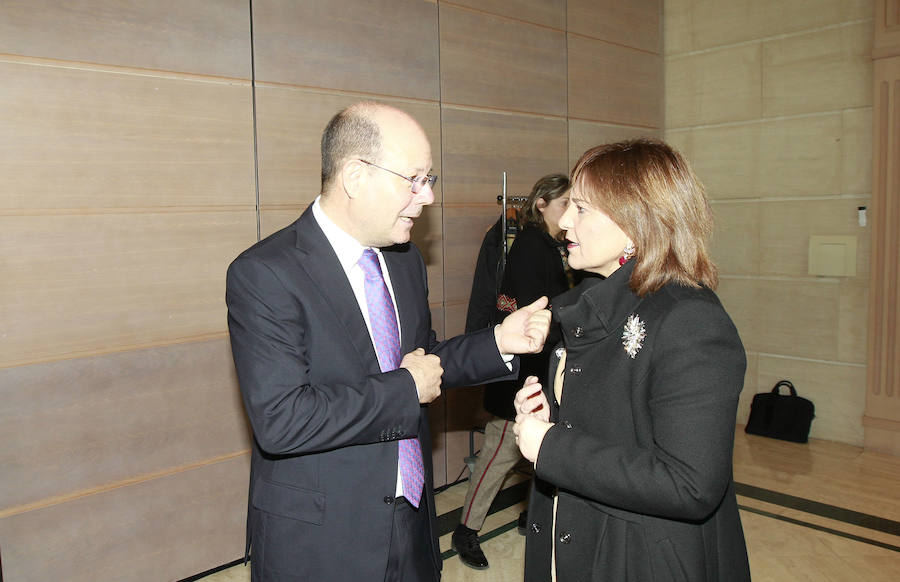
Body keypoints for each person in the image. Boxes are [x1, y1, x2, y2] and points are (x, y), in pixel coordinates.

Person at [226, 101, 552, 582]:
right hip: (323, 539)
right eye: (414, 179)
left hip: (410, 520)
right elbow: (282, 419)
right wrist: (404, 388)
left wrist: (499, 341)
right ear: (357, 176)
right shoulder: (266, 273)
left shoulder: (403, 260)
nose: (428, 198)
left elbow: (424, 362)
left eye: (430, 180)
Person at [513, 138, 751, 581]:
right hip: (575, 535)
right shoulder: (587, 303)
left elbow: (690, 484)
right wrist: (550, 412)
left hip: (639, 557)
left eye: (581, 208)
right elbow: (611, 418)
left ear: (636, 222)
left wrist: (551, 445)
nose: (564, 221)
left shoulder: (691, 321)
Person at [452, 174, 575, 570]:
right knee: (499, 452)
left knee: (540, 452)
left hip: (544, 370)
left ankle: (530, 515)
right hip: (523, 373)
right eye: (564, 204)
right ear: (542, 205)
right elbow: (526, 315)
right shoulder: (529, 245)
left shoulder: (555, 246)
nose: (570, 212)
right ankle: (466, 530)